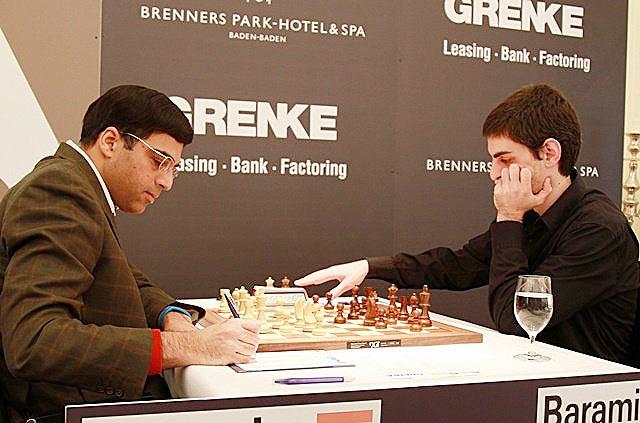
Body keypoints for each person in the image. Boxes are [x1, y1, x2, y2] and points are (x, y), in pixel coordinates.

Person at [295, 84, 639, 365]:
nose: (494, 174)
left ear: (549, 153)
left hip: (587, 398)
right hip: (535, 379)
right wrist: (370, 266)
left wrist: (508, 218)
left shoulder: (598, 229)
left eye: (505, 159)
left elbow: (513, 318)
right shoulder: (530, 213)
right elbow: (458, 266)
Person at [0, 85, 260, 422]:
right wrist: (191, 346)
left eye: (173, 168)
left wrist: (171, 315)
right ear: (110, 142)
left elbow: (121, 277)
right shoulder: (60, 192)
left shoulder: (79, 186)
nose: (166, 182)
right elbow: (36, 341)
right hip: (63, 411)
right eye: (158, 161)